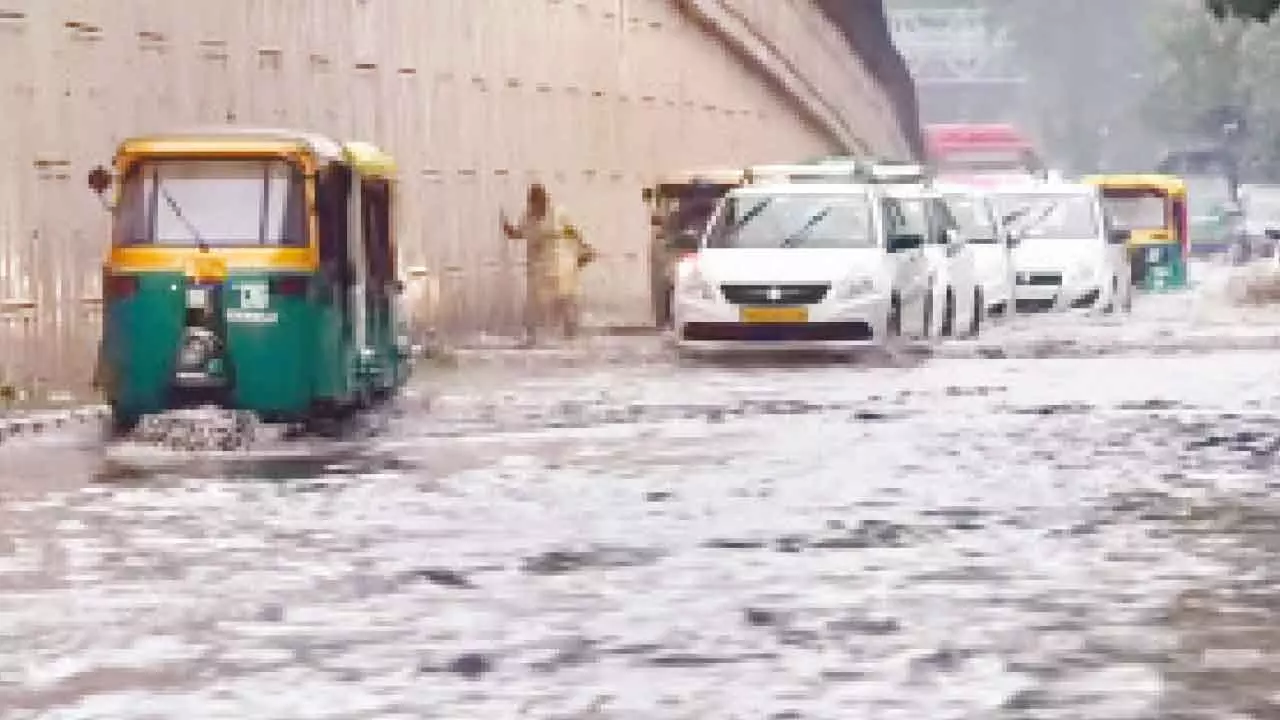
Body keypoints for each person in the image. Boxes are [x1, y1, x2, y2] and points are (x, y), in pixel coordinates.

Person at [501, 183, 596, 346]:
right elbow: (520, 233)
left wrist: (584, 249)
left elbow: (572, 232)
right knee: (542, 303)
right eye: (534, 203)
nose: (538, 207)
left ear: (545, 200)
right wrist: (509, 231)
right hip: (541, 268)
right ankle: (541, 337)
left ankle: (570, 335)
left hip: (562, 262)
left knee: (565, 299)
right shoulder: (528, 216)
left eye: (541, 202)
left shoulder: (558, 213)